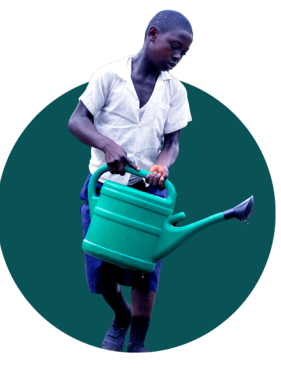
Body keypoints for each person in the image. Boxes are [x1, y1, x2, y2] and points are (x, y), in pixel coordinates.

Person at [68, 9, 193, 353]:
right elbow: (77, 121)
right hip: (104, 191)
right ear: (152, 34)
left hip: (147, 194)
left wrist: (163, 166)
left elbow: (173, 144)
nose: (178, 57)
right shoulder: (108, 75)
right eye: (173, 46)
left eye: (184, 52)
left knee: (144, 271)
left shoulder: (175, 92)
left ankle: (137, 342)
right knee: (100, 268)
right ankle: (120, 315)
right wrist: (106, 144)